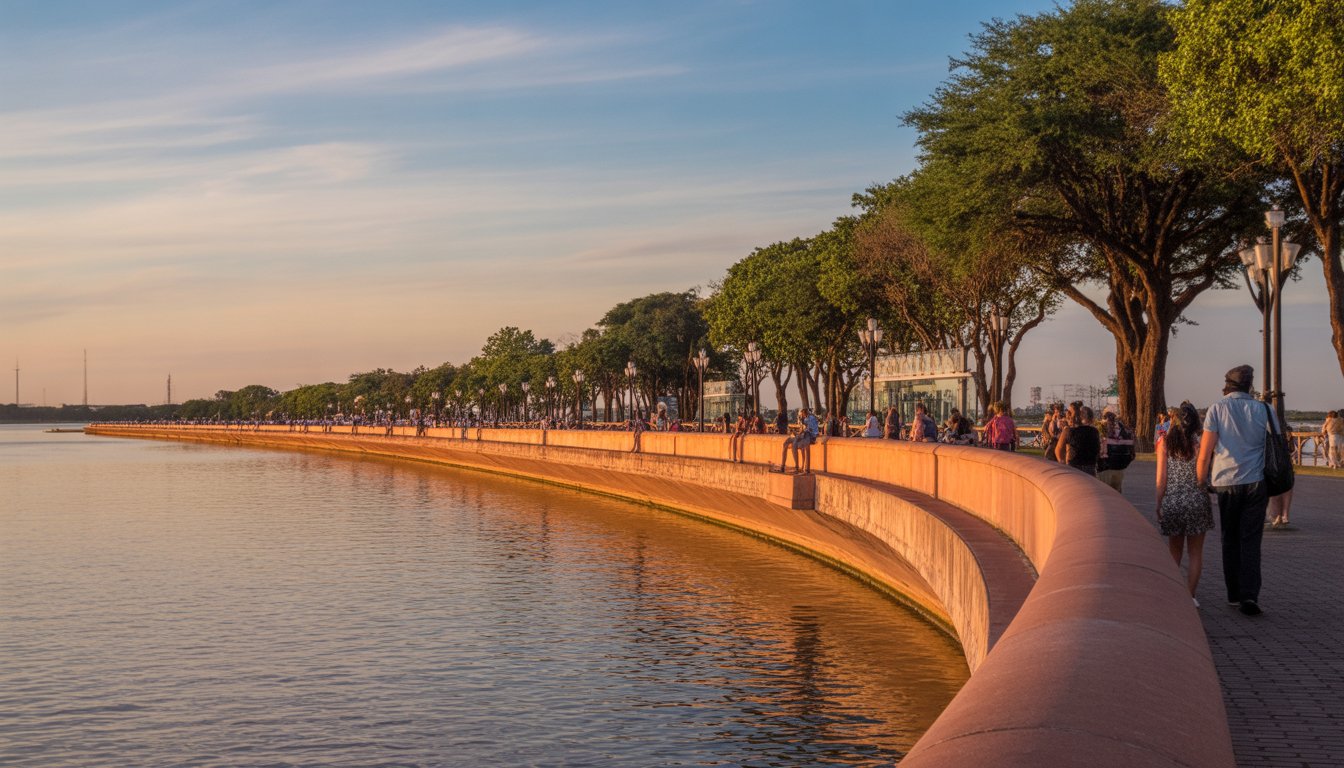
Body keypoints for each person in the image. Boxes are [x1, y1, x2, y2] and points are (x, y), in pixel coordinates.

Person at [1196, 364, 1275, 616]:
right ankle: (1249, 595)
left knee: (1229, 538)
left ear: (1228, 384)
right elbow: (1279, 444)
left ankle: (1233, 593)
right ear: (1249, 385)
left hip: (1225, 481)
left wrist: (1200, 482)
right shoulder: (1265, 409)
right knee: (1251, 540)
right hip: (1256, 481)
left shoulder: (1217, 408)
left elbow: (1205, 452)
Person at [1155, 403, 1213, 606]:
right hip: (1197, 501)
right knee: (1195, 552)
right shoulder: (1199, 445)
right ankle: (1190, 596)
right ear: (1196, 422)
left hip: (1173, 501)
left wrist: (1159, 502)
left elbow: (1161, 479)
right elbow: (1202, 477)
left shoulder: (1165, 444)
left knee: (1174, 551)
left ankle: (1172, 592)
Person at [1097, 410, 1136, 492]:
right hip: (1120, 467)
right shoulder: (1123, 430)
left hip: (1105, 468)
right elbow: (1132, 452)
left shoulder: (1101, 429)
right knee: (1117, 492)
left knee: (1105, 492)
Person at [1060, 405, 1101, 476]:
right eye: (1080, 413)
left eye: (1083, 414)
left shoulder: (1093, 431)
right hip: (1084, 466)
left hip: (1081, 466)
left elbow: (1059, 450)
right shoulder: (1070, 430)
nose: (1080, 415)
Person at [779, 407, 819, 474]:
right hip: (803, 435)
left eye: (802, 414)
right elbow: (804, 429)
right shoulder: (805, 419)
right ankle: (782, 466)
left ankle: (797, 467)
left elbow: (812, 431)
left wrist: (801, 434)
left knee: (794, 445)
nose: (801, 415)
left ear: (804, 413)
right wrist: (798, 433)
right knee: (785, 443)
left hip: (808, 437)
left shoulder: (811, 418)